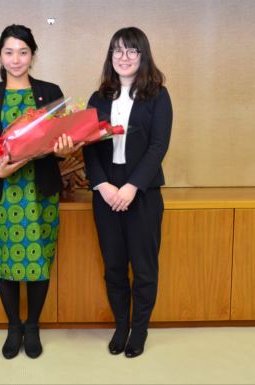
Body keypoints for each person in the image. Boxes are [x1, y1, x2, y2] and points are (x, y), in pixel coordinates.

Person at [0, 24, 79, 359]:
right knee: (6, 262)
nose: (15, 59)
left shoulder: (50, 91)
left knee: (39, 261)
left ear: (33, 55)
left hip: (41, 191)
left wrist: (65, 149)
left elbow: (62, 139)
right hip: (4, 192)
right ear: (0, 55)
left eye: (23, 52)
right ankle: (12, 326)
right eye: (9, 52)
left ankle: (32, 325)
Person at [82, 27, 173, 358]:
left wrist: (133, 186)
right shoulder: (97, 98)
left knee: (144, 267)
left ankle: (139, 330)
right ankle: (121, 325)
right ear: (110, 57)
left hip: (144, 190)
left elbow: (158, 146)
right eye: (117, 51)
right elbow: (88, 148)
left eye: (131, 51)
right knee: (115, 266)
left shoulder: (158, 96)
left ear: (143, 55)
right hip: (105, 190)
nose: (123, 57)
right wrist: (103, 185)